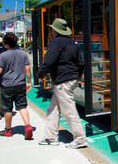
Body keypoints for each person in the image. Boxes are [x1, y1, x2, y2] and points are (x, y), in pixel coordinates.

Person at [37, 18, 87, 149]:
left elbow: (48, 61)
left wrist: (40, 74)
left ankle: (80, 138)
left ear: (55, 30)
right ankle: (51, 137)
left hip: (62, 81)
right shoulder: (72, 43)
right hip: (70, 79)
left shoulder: (56, 43)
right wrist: (77, 76)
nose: (51, 30)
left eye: (52, 28)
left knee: (68, 110)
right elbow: (81, 63)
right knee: (53, 109)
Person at [0, 33, 33, 139]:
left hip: (7, 85)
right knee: (22, 106)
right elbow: (27, 69)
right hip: (20, 84)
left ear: (5, 44)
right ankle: (28, 125)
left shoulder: (3, 55)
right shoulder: (23, 54)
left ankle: (8, 130)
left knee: (7, 109)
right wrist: (29, 82)